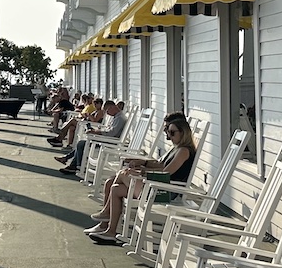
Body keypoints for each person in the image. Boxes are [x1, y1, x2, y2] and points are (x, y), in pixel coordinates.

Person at [85, 114, 194, 246]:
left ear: (183, 132)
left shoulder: (183, 151)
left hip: (164, 192)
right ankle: (110, 231)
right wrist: (142, 167)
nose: (169, 136)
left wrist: (141, 172)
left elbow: (166, 173)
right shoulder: (177, 148)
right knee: (115, 188)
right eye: (168, 132)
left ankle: (107, 214)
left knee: (123, 174)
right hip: (157, 187)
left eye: (172, 132)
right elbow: (160, 166)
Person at [56, 100, 125, 174]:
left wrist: (96, 132)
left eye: (107, 111)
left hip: (109, 142)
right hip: (106, 139)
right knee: (82, 142)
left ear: (112, 107)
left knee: (81, 143)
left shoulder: (120, 118)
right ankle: (72, 164)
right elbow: (109, 130)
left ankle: (76, 165)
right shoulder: (117, 116)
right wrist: (96, 131)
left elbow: (111, 133)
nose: (107, 114)